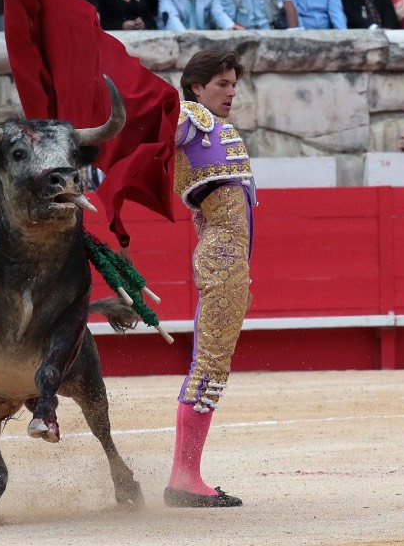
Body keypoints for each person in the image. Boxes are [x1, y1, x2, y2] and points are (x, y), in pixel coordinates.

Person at [165, 48, 254, 509]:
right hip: (222, 257)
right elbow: (151, 134)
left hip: (230, 259)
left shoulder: (211, 124)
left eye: (234, 84)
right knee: (210, 365)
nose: (231, 92)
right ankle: (184, 477)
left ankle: (187, 474)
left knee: (214, 364)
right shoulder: (188, 114)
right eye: (223, 83)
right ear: (197, 86)